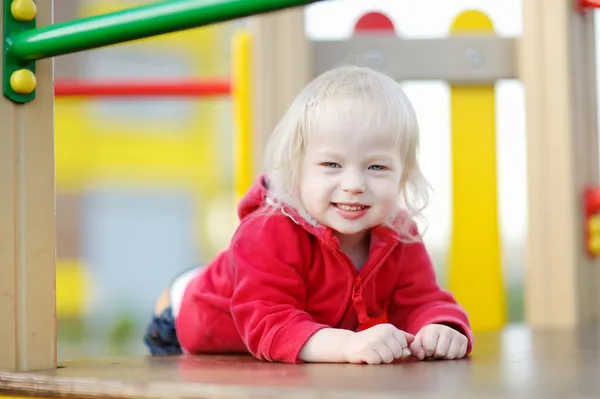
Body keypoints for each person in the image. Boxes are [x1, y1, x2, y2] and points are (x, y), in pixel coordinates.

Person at [144, 65, 473, 365]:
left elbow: (420, 300)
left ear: (402, 176)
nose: (355, 184)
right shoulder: (269, 230)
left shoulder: (398, 232)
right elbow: (269, 323)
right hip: (188, 324)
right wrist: (347, 346)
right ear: (296, 170)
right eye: (332, 165)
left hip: (277, 344)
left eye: (377, 167)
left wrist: (437, 327)